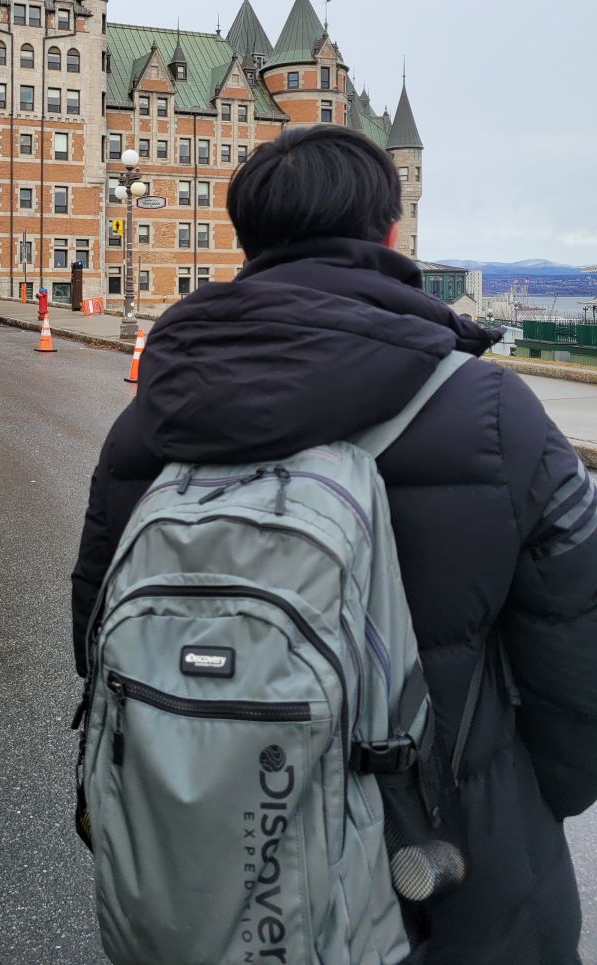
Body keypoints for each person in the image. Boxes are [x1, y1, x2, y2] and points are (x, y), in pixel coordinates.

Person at [72, 124, 597, 965]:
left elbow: (95, 640)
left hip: (219, 884)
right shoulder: (494, 413)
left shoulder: (148, 424)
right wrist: (537, 798)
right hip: (451, 881)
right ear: (389, 230)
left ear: (247, 240)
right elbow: (578, 657)